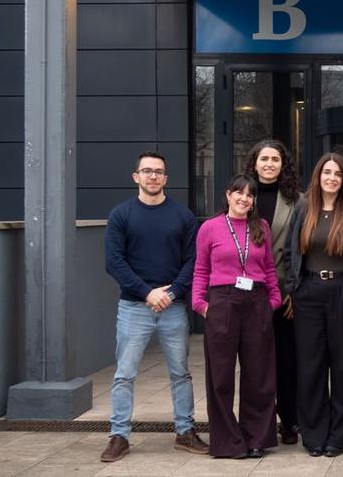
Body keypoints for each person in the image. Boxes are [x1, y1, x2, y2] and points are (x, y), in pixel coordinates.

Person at [101, 152, 209, 463]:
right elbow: (114, 263)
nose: (153, 177)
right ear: (135, 176)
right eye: (147, 171)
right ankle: (119, 435)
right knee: (124, 374)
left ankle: (185, 432)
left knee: (181, 374)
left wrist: (173, 291)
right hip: (134, 307)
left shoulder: (182, 216)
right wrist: (148, 293)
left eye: (159, 172)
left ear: (166, 178)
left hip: (173, 307)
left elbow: (193, 260)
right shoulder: (121, 215)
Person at [284, 152, 343, 457]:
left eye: (337, 174)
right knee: (310, 367)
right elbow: (290, 251)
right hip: (308, 292)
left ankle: (340, 436)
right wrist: (294, 289)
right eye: (327, 172)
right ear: (318, 176)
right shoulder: (303, 208)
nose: (332, 178)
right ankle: (314, 434)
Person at [192, 175, 282, 459]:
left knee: (259, 376)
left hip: (256, 302)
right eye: (239, 193)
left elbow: (268, 268)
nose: (244, 199)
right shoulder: (210, 227)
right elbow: (201, 270)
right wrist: (199, 303)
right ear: (228, 195)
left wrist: (273, 301)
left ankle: (256, 438)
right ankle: (227, 442)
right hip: (222, 302)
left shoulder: (261, 227)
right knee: (220, 376)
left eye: (250, 195)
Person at [242, 139, 302, 446]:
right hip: (248, 294)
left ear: (283, 165)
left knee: (287, 361)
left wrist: (291, 290)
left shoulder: (298, 201)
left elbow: (301, 249)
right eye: (263, 158)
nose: (269, 164)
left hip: (284, 292)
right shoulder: (241, 197)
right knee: (255, 363)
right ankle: (258, 425)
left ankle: (289, 421)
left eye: (275, 159)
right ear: (254, 163)